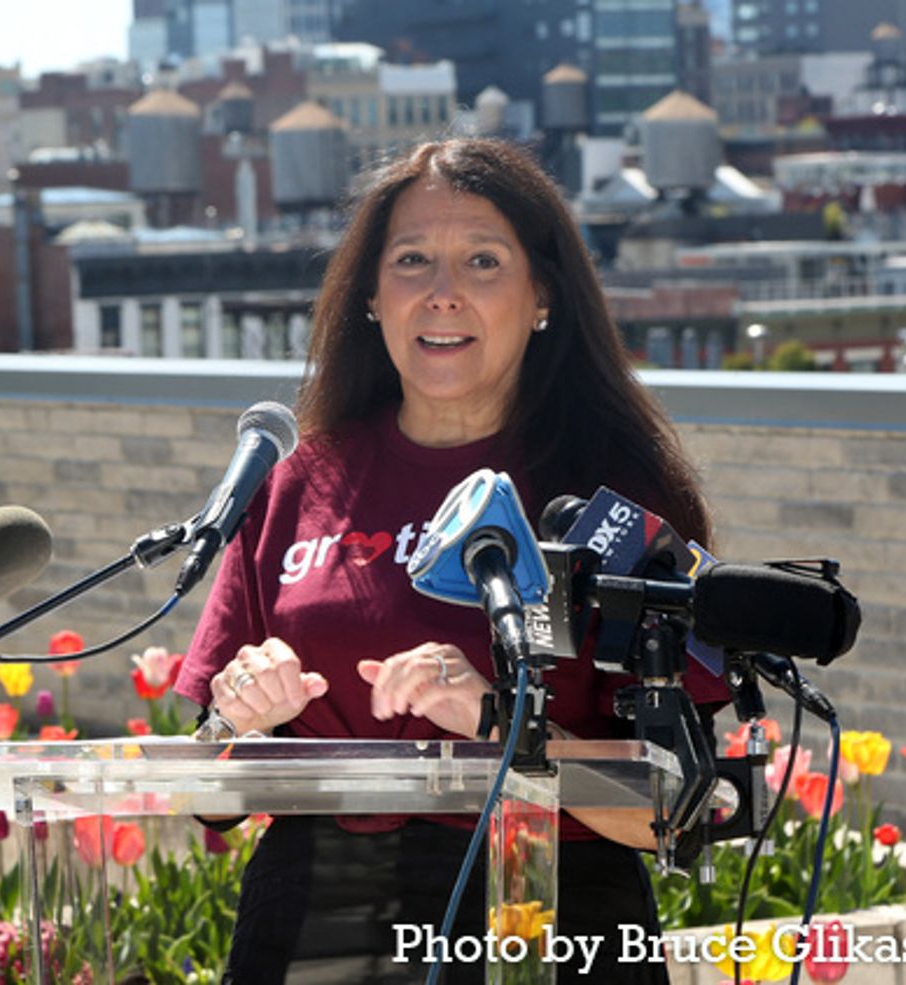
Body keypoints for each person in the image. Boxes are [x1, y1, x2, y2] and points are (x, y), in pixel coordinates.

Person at [174, 138, 729, 984]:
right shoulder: (295, 483)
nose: (442, 293)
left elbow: (673, 812)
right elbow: (208, 793)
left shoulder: (616, 498)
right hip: (311, 920)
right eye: (411, 261)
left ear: (542, 294)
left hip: (549, 915)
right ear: (369, 297)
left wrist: (503, 724)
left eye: (481, 260)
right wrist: (234, 719)